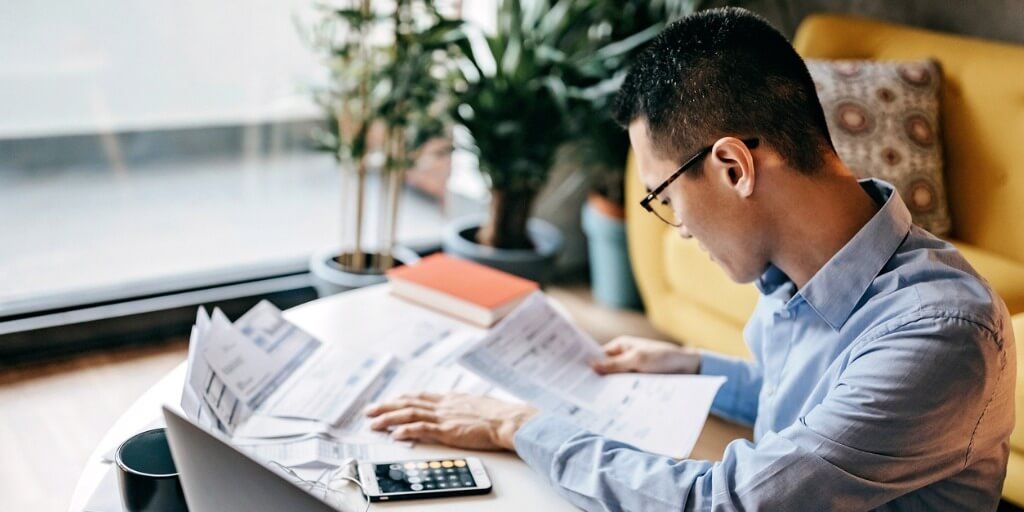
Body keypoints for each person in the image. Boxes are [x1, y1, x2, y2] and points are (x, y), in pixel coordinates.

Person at [365, 7, 1015, 510]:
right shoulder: (811, 276)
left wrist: (521, 425)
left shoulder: (938, 333)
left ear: (733, 166)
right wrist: (689, 364)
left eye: (665, 195)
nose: (675, 228)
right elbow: (817, 402)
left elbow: (728, 501)